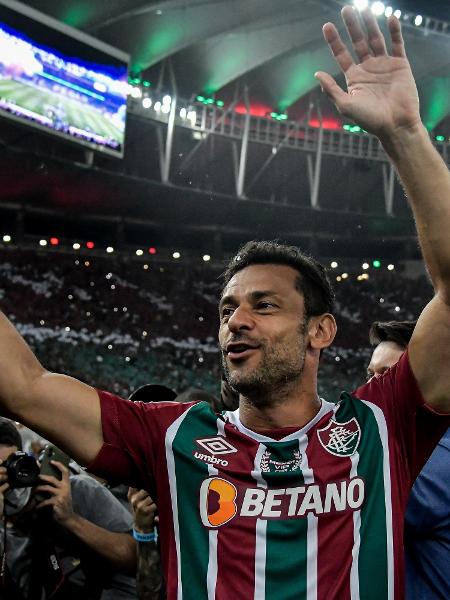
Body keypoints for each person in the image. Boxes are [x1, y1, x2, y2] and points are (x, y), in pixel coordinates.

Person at [0, 5, 450, 598]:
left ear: (320, 331)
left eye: (264, 306)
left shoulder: (380, 426)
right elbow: (25, 386)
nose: (236, 321)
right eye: (227, 309)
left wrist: (404, 134)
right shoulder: (169, 437)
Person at [0, 419, 137, 599]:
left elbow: (135, 558)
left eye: (8, 467)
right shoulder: (3, 533)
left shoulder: (78, 491)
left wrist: (70, 518)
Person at [368, 320, 450, 600]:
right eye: (370, 375)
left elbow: (367, 507)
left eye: (388, 373)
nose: (373, 386)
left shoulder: (442, 451)